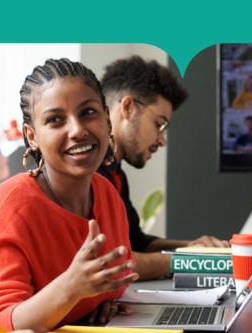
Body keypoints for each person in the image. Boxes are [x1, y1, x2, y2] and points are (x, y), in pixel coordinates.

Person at [0, 58, 139, 333]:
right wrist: (70, 289)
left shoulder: (109, 196)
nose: (77, 130)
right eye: (55, 120)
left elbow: (110, 285)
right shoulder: (8, 207)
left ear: (107, 119)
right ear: (32, 136)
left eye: (88, 112)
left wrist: (98, 302)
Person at [98, 55, 229, 281]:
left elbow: (135, 242)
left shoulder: (116, 174)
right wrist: (191, 260)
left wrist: (194, 247)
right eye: (158, 125)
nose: (162, 140)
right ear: (127, 107)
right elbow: (111, 262)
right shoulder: (89, 175)